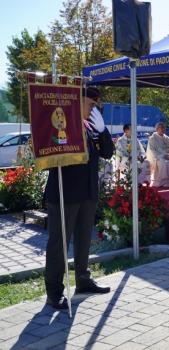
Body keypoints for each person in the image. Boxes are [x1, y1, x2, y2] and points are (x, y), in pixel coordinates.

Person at [44, 87, 114, 310]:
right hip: (65, 193)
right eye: (90, 104)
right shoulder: (63, 123)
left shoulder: (92, 127)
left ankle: (83, 280)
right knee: (59, 243)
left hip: (87, 192)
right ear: (76, 102)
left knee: (84, 239)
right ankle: (54, 291)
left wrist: (102, 131)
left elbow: (107, 152)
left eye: (95, 106)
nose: (94, 109)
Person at [146, 122, 169, 186]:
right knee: (162, 162)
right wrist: (163, 155)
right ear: (157, 129)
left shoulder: (167, 138)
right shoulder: (152, 138)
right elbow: (152, 151)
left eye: (164, 128)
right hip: (158, 157)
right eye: (161, 128)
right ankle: (162, 181)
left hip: (168, 156)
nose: (163, 129)